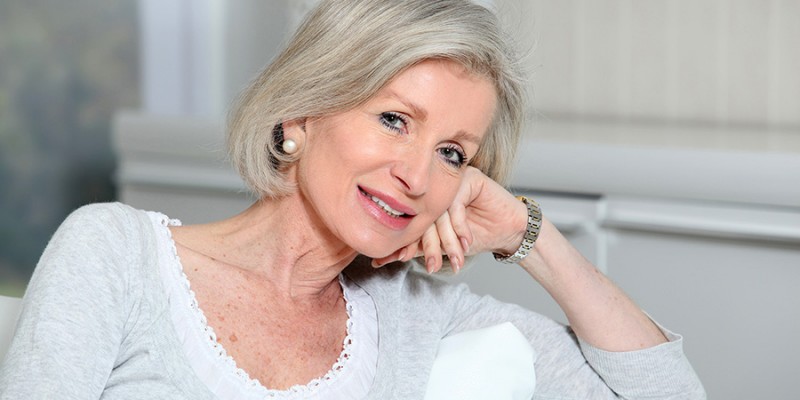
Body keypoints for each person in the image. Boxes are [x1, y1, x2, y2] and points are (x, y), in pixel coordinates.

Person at [0, 0, 705, 398]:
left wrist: (528, 233)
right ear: (301, 114)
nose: (417, 174)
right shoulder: (114, 255)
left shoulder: (418, 310)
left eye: (452, 154)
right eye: (394, 120)